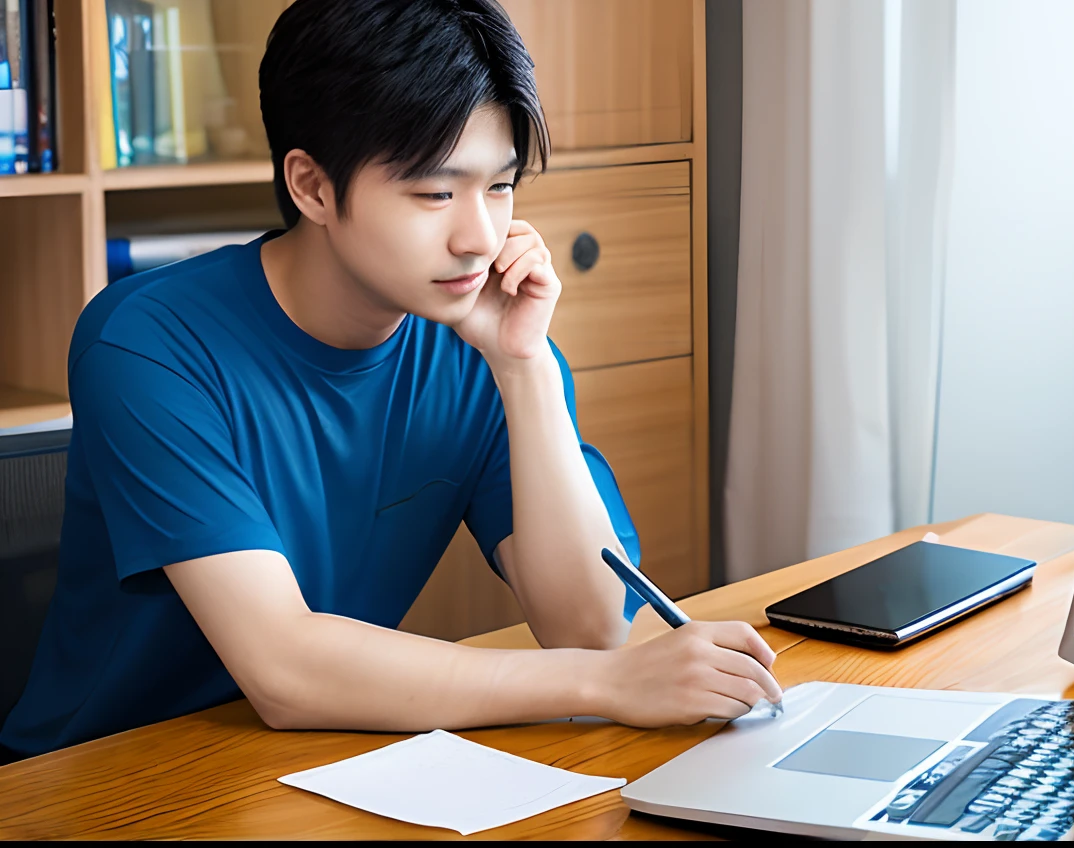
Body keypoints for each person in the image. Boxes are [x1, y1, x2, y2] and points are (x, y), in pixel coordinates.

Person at [0, 0, 780, 761]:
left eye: (501, 186)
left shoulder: (484, 340)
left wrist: (525, 369)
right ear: (311, 187)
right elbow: (286, 671)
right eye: (436, 192)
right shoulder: (147, 342)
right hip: (102, 780)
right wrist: (604, 683)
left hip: (328, 759)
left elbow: (591, 626)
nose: (480, 237)